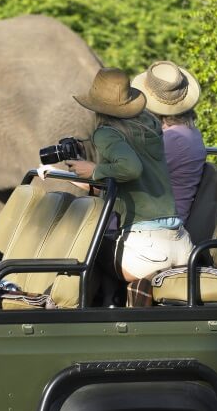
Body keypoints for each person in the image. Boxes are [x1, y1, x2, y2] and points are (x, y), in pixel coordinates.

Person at [66, 67, 193, 282]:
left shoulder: (106, 133)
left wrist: (94, 170)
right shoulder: (151, 126)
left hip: (145, 250)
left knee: (83, 254)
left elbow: (131, 168)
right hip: (181, 243)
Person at [131, 61, 206, 222]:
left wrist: (93, 172)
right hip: (158, 215)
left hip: (158, 221)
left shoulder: (173, 139)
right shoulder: (187, 132)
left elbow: (130, 175)